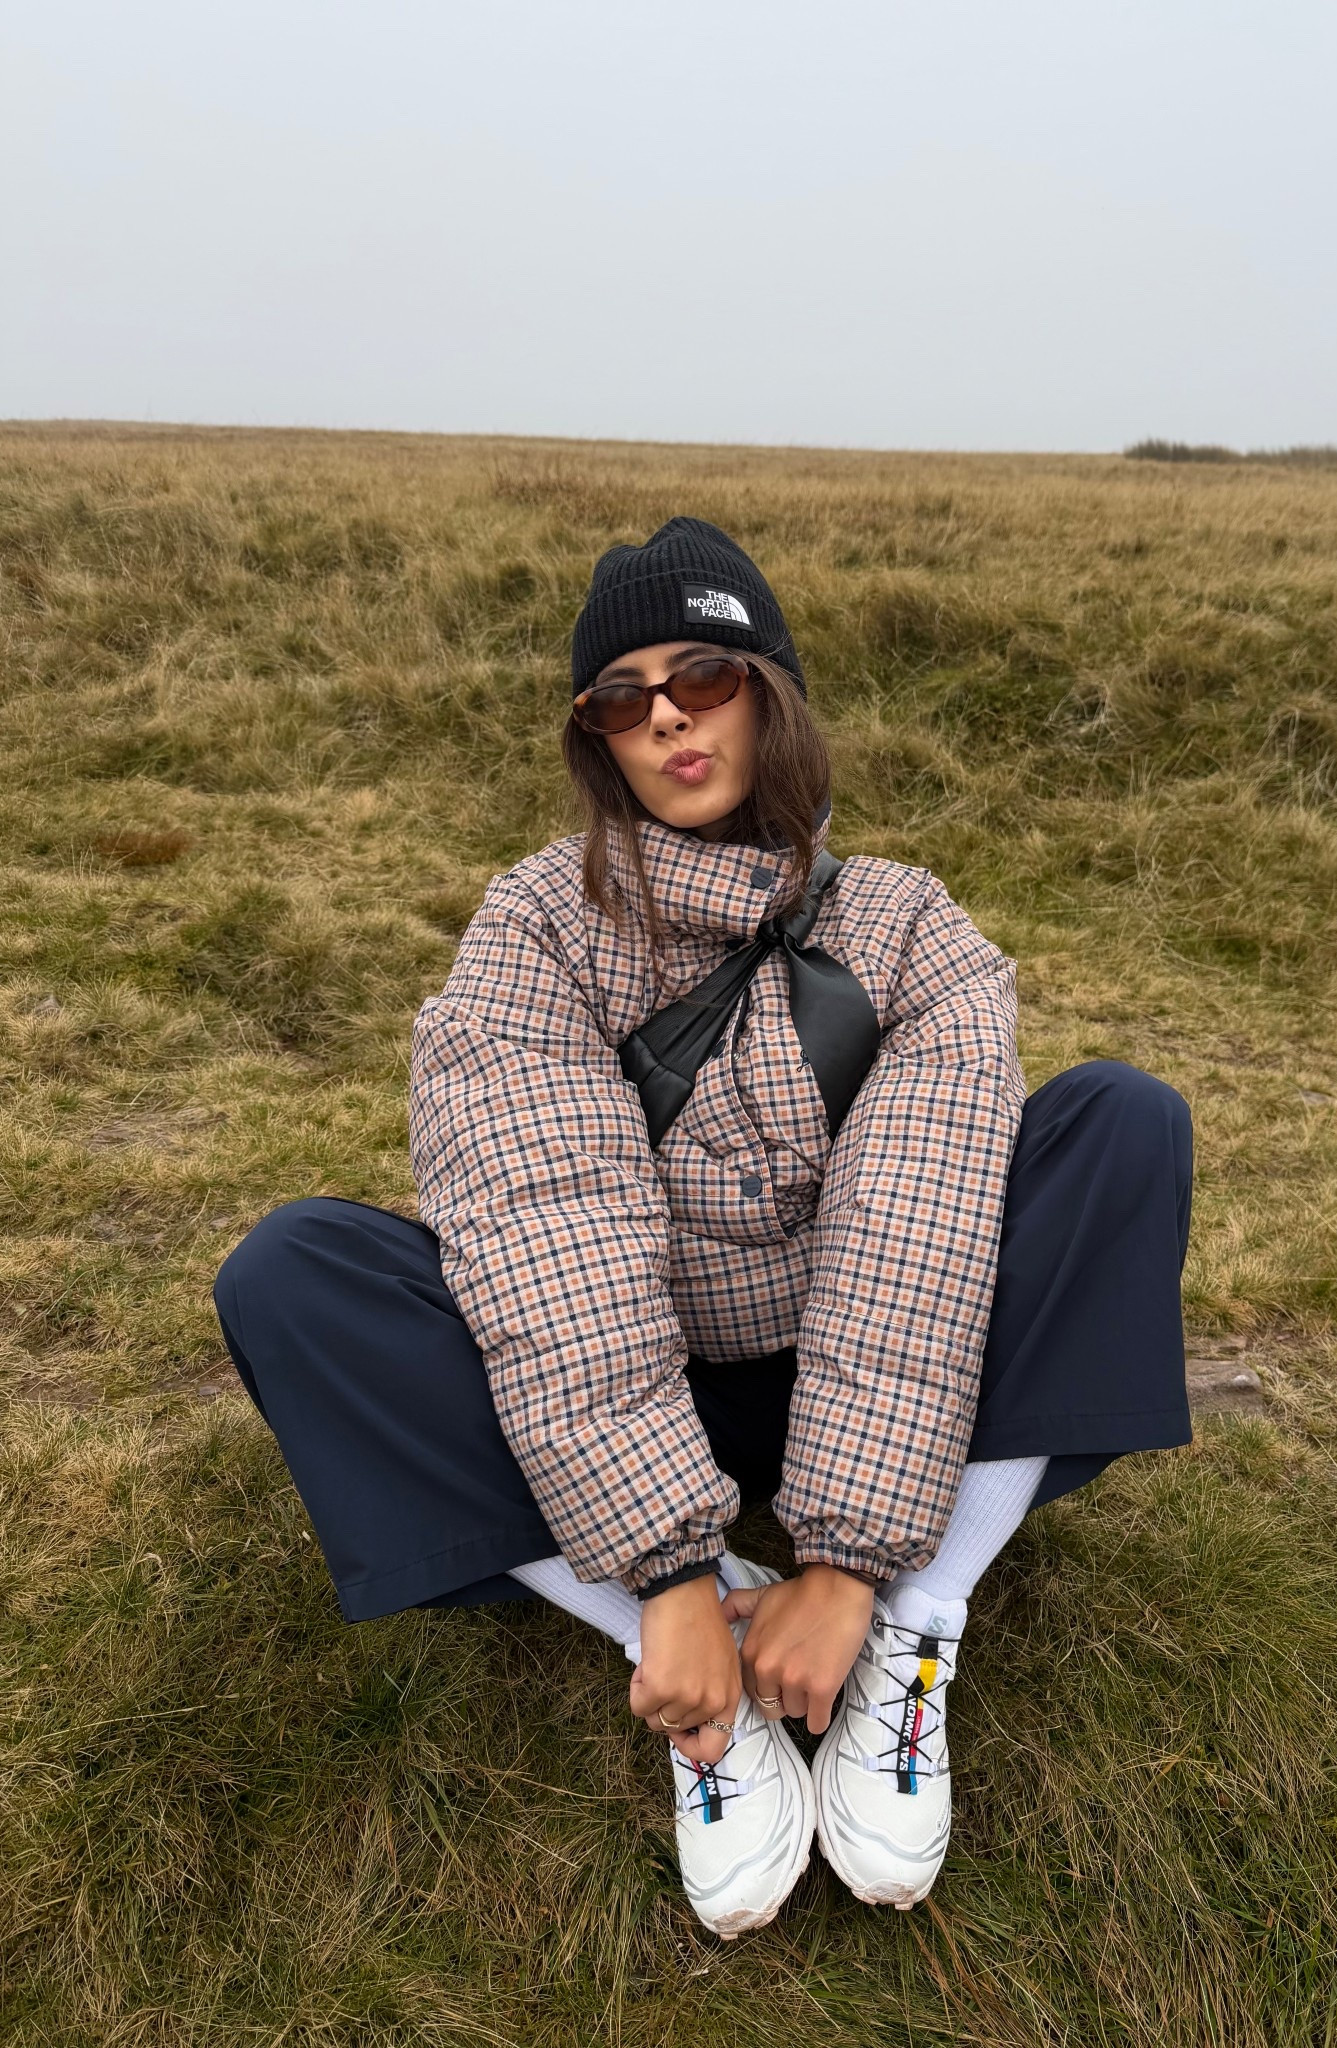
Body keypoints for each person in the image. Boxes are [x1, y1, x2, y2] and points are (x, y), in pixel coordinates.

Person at [213, 517, 1194, 1940]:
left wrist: (853, 1563)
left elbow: (915, 1231)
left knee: (1121, 1122)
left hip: (868, 1360)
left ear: (771, 693)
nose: (664, 712)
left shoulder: (911, 926)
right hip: (647, 1373)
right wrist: (667, 1575)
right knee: (295, 1275)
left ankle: (912, 1631)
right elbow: (549, 1221)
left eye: (703, 675)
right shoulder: (535, 928)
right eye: (621, 696)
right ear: (595, 739)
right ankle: (705, 1667)